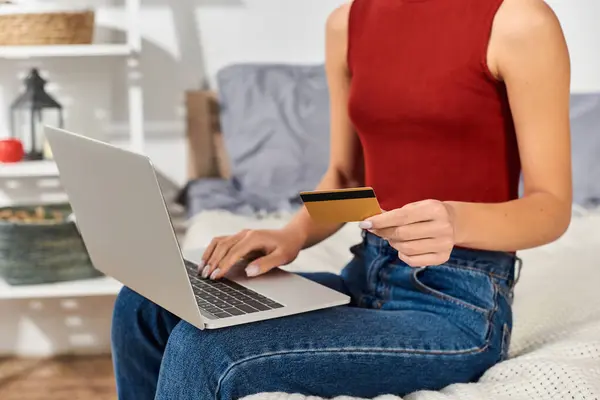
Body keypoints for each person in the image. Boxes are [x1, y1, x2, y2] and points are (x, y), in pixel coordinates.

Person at [111, 0, 572, 398]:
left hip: (458, 308)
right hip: (366, 277)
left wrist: (456, 220)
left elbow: (551, 207)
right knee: (143, 304)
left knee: (207, 352)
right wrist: (291, 234)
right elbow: (347, 178)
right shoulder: (348, 21)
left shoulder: (518, 21)